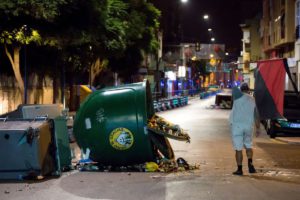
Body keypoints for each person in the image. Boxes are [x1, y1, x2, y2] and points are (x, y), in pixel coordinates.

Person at [229, 83, 260, 175]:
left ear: (241, 90)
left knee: (238, 149)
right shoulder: (253, 99)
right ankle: (250, 165)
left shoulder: (236, 97)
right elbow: (256, 115)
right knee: (248, 146)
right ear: (248, 90)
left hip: (237, 126)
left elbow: (233, 91)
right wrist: (258, 128)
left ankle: (239, 169)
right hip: (248, 126)